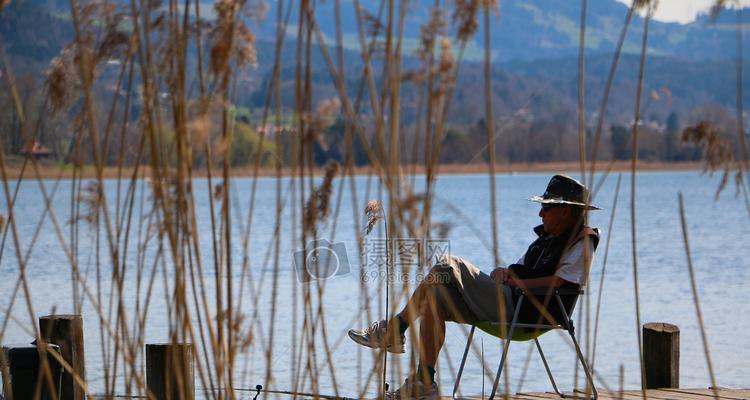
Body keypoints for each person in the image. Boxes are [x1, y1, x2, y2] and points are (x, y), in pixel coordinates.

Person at [348, 175, 601, 400]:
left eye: (546, 207)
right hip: (511, 301)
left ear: (566, 211)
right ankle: (424, 383)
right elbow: (517, 270)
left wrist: (516, 282)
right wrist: (502, 273)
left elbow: (562, 283)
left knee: (448, 264)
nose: (540, 214)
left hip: (525, 312)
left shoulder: (581, 241)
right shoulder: (546, 240)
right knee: (435, 294)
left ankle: (394, 329)